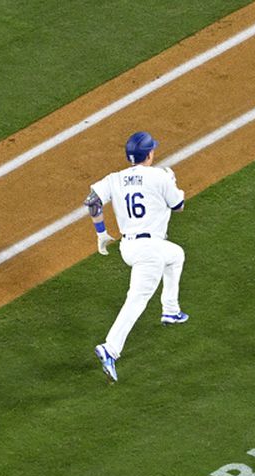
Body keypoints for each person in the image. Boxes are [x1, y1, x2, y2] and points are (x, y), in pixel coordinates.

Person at [85, 131, 188, 383]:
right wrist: (172, 183)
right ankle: (110, 348)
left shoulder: (115, 179)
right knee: (137, 300)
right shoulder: (160, 176)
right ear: (150, 154)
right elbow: (179, 206)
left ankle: (171, 310)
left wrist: (101, 233)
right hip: (149, 250)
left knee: (176, 255)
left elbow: (92, 202)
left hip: (129, 248)